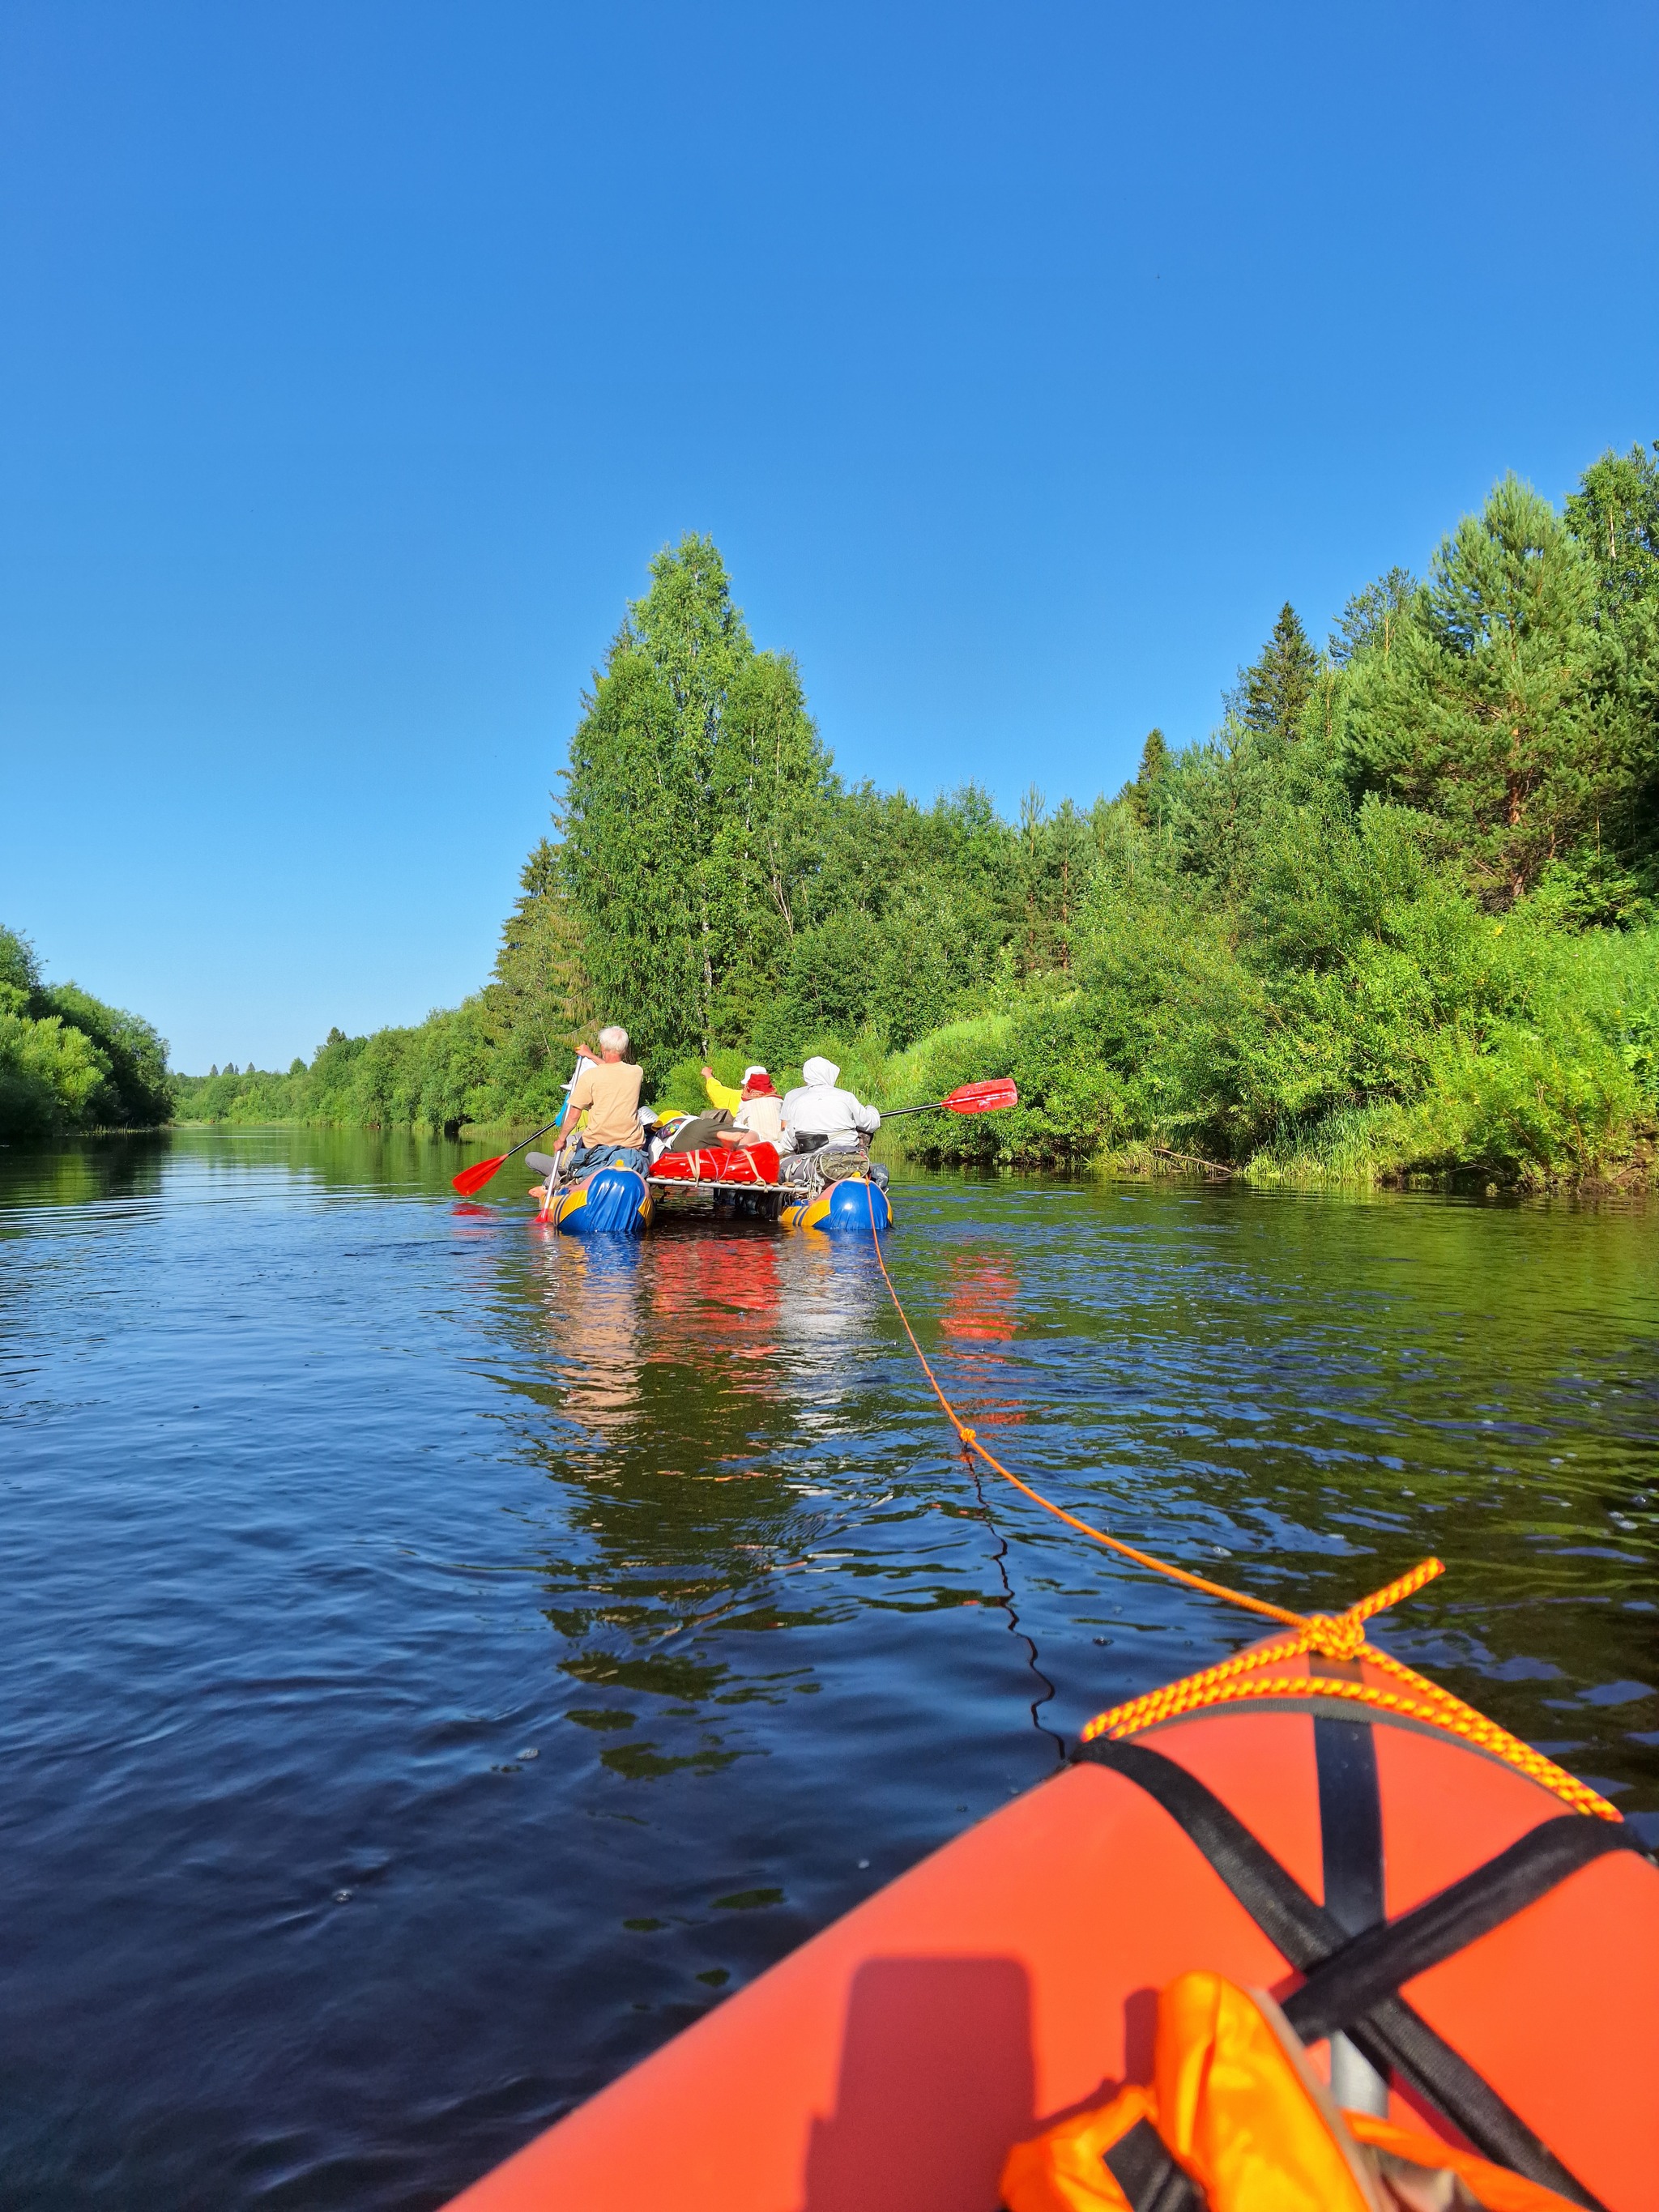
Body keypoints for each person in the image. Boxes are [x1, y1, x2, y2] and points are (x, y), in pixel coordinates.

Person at [529, 1028, 649, 1189]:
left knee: (573, 1145)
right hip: (632, 1145)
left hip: (597, 1146)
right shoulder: (636, 1072)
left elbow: (573, 1116)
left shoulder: (590, 1077)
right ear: (625, 1049)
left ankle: (552, 1186)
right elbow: (613, 1069)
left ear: (602, 1047)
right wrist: (591, 1056)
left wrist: (561, 1140)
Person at [778, 1056, 884, 1186]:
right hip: (851, 1159)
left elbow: (788, 1144)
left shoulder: (796, 1103)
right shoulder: (846, 1097)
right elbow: (872, 1124)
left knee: (781, 1167)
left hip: (817, 1164)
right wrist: (871, 1109)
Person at [701, 1063, 784, 1149]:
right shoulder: (778, 1100)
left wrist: (708, 1075)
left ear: (747, 1085)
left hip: (757, 1147)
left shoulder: (742, 1100)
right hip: (780, 1146)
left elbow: (717, 1092)